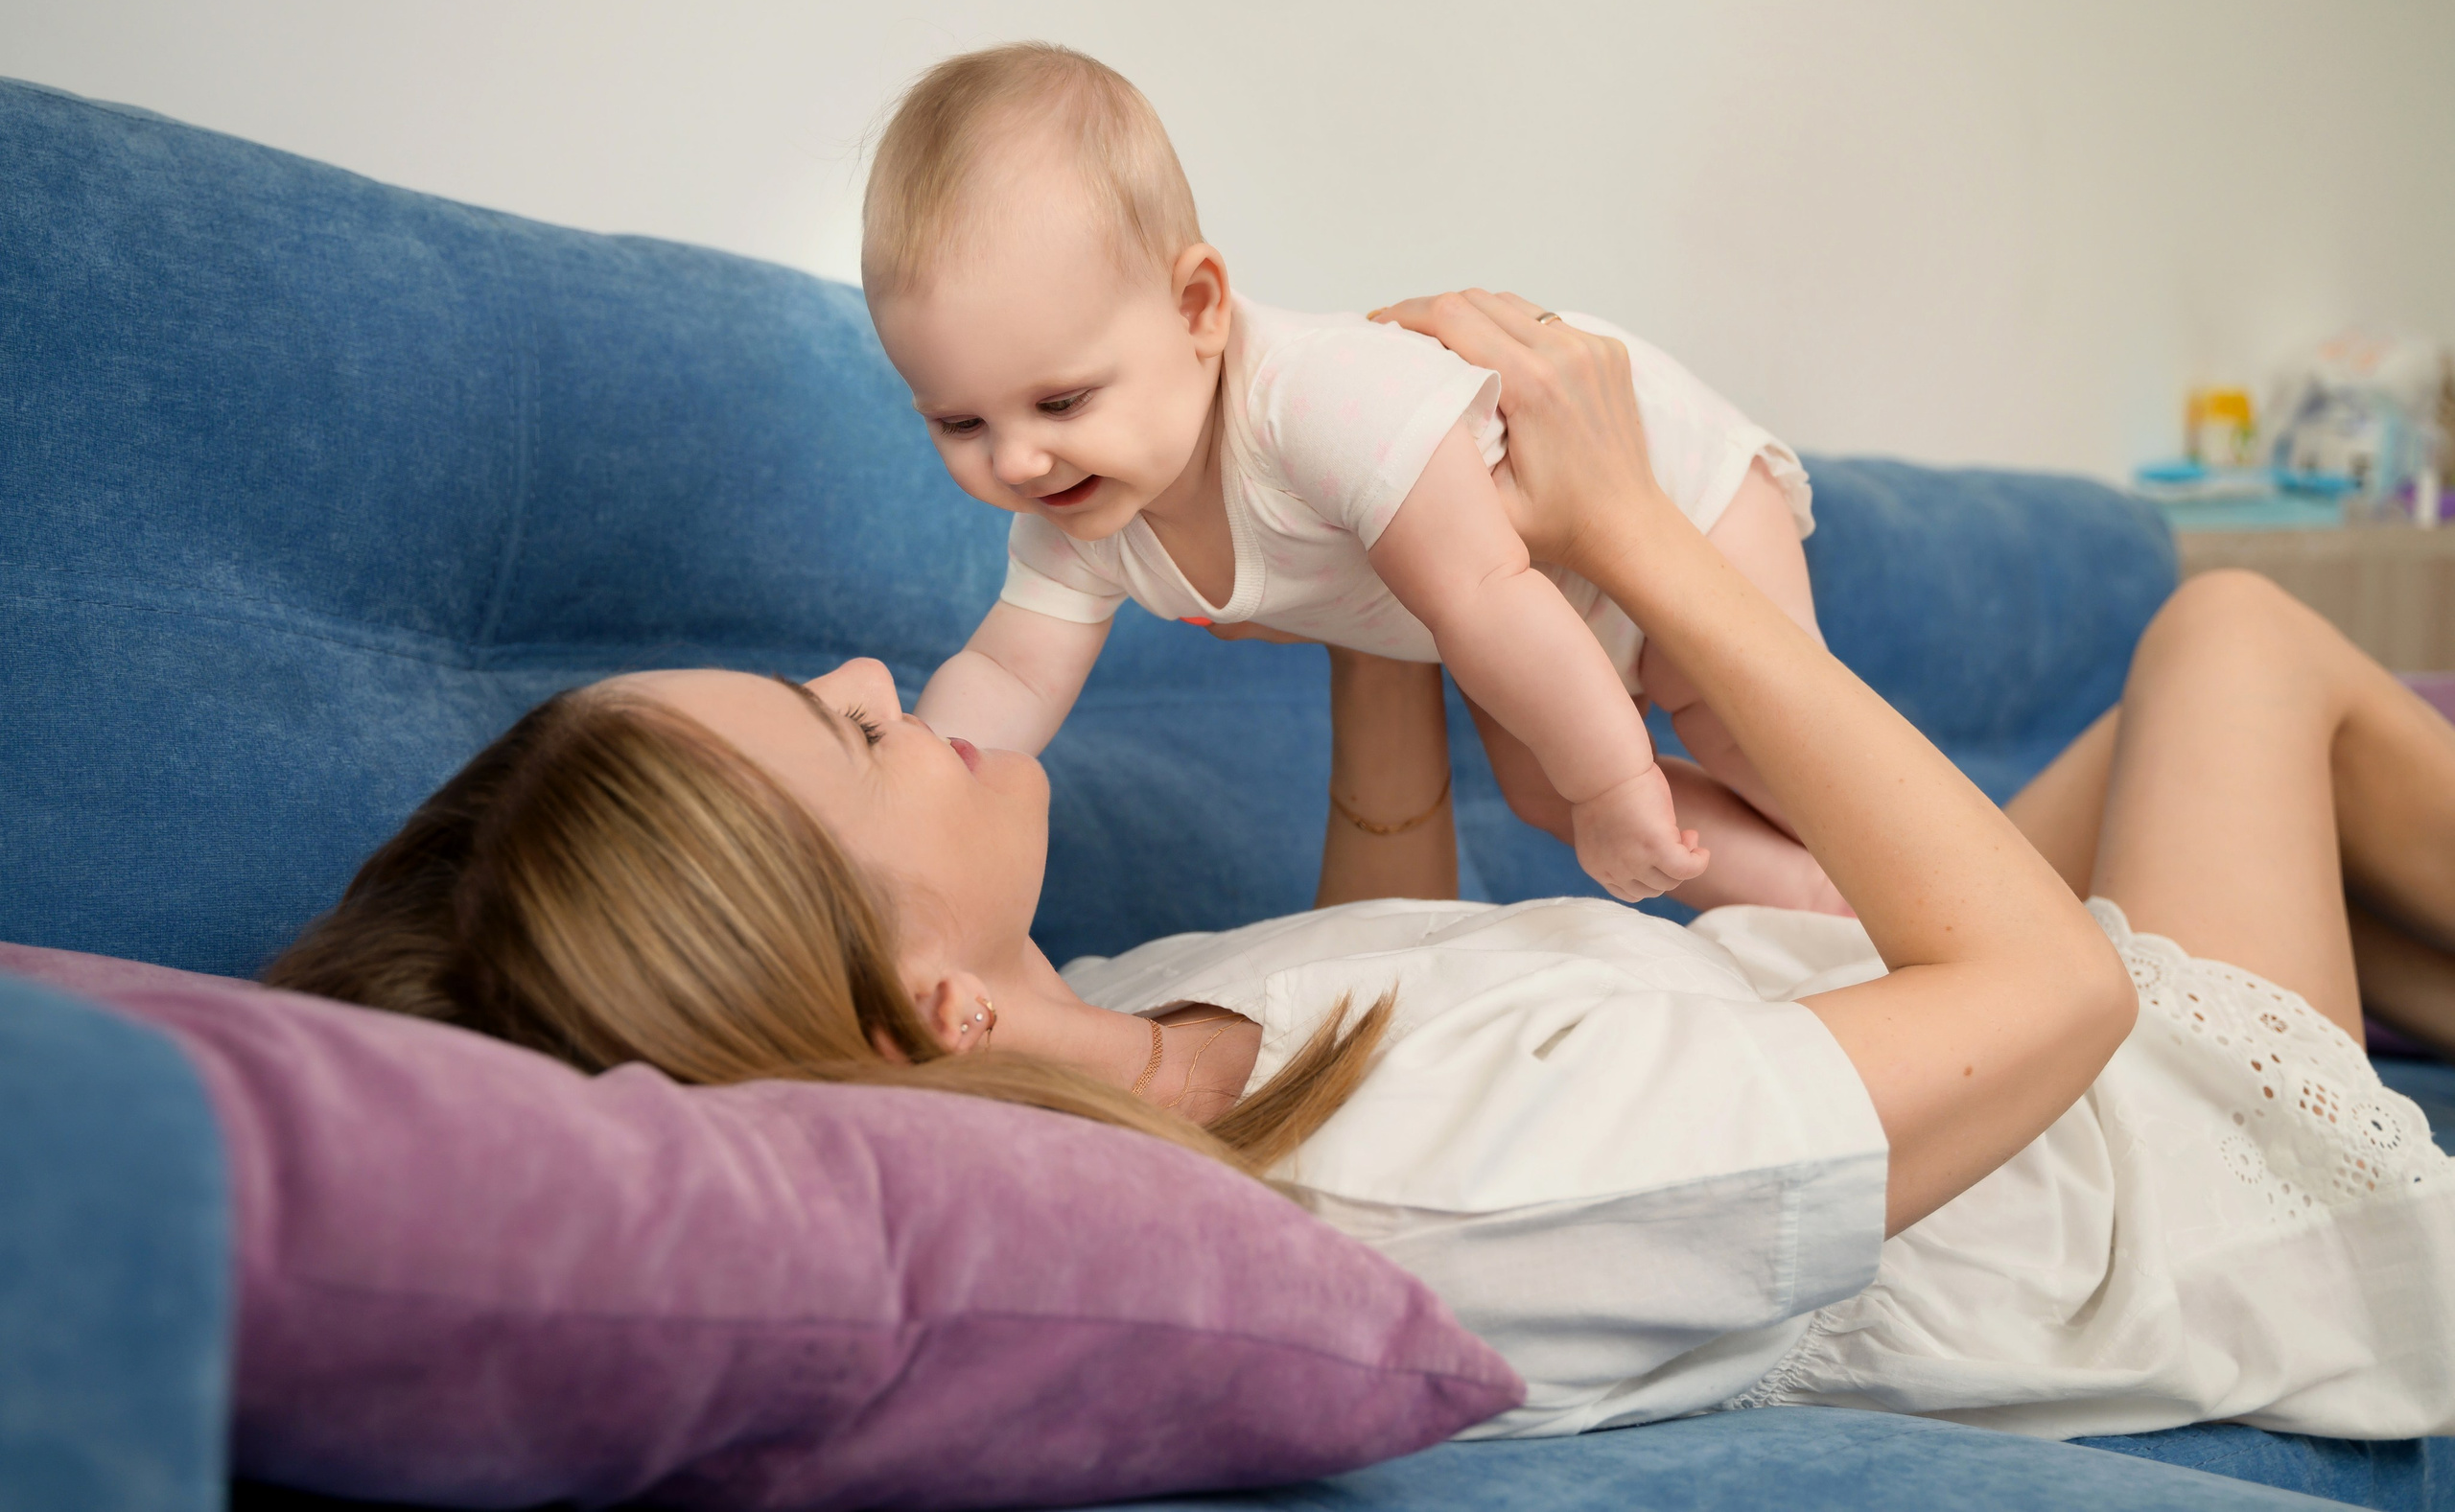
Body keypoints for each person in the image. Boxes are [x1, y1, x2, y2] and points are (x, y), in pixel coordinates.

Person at [269, 293, 2455, 1444]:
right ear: (919, 998)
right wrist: (1622, 536)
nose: (875, 662)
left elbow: (1395, 904)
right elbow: (2048, 1001)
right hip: (2177, 1173)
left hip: (1895, 1009)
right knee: (2232, 642)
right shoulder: (1441, 1194)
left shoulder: (1124, 1033)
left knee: (2269, 748)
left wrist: (1376, 562)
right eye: (848, 731)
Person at [865, 42, 1840, 913]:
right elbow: (1006, 673)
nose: (1016, 461)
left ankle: (1877, 870)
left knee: (1760, 741)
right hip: (1544, 598)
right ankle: (1830, 910)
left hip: (1666, 491)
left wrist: (1618, 791)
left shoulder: (1317, 405)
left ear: (1197, 307)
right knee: (1546, 789)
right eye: (959, 423)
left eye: (1063, 402)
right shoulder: (1079, 514)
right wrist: (911, 800)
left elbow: (1486, 597)